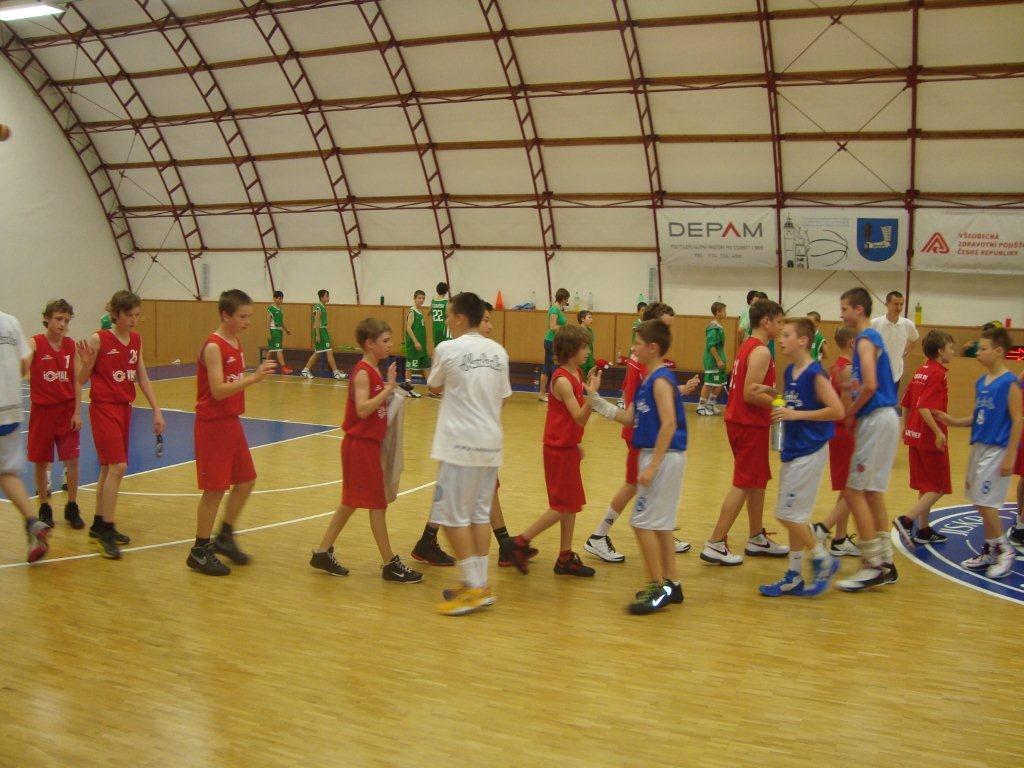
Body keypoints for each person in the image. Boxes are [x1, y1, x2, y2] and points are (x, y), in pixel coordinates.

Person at [410, 302, 536, 570]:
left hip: (468, 440)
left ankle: (475, 573)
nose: (490, 325)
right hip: (479, 440)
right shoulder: (489, 352)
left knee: (462, 508)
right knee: (470, 509)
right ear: (473, 319)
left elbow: (436, 386)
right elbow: (501, 399)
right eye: (486, 319)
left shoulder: (462, 350)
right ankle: (483, 565)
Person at [586, 320, 694, 614]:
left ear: (652, 347)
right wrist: (594, 399)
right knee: (660, 525)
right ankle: (673, 584)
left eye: (637, 343)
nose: (633, 348)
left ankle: (656, 587)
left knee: (641, 523)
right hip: (659, 455)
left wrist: (652, 466)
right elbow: (628, 417)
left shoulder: (660, 381)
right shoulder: (648, 380)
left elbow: (669, 424)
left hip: (663, 456)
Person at [309, 318, 423, 583]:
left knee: (350, 502)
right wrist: (388, 390)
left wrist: (392, 392)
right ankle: (390, 563)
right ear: (370, 344)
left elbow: (376, 407)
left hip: (367, 445)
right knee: (377, 504)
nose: (390, 345)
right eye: (385, 341)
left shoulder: (373, 370)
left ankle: (322, 552)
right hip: (359, 446)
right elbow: (362, 409)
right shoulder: (362, 372)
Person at [428, 293, 512, 615]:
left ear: (461, 318)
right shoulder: (499, 352)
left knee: (450, 517)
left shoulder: (447, 348)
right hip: (491, 443)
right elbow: (504, 397)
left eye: (450, 315)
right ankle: (480, 584)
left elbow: (434, 386)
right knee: (478, 515)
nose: (447, 320)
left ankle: (474, 588)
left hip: (459, 445)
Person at [187, 291, 277, 576]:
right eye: (242, 316)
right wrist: (254, 378)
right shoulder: (214, 347)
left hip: (231, 423)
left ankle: (224, 536)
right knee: (214, 490)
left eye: (249, 316)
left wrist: (250, 378)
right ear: (225, 315)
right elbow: (217, 390)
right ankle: (199, 551)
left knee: (246, 481)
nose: (247, 321)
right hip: (212, 426)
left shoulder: (235, 342)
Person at [76, 290, 166, 559]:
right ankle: (107, 529)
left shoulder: (136, 340)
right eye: (129, 315)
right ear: (116, 314)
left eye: (137, 315)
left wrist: (156, 410)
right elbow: (81, 379)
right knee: (118, 467)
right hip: (103, 407)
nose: (134, 320)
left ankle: (98, 525)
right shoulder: (99, 339)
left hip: (125, 408)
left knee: (108, 468)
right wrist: (86, 363)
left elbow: (143, 376)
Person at [757, 317, 843, 598]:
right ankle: (794, 575)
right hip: (793, 449)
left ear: (803, 340)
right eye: (780, 335)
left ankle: (822, 558)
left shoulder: (815, 373)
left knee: (786, 514)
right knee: (796, 515)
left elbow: (837, 410)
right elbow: (797, 402)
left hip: (810, 449)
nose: (780, 340)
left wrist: (796, 415)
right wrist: (774, 394)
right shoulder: (790, 371)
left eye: (786, 335)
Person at [701, 298, 788, 566]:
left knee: (757, 481)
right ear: (766, 321)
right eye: (779, 322)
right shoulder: (761, 351)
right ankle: (715, 542)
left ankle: (756, 536)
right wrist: (781, 404)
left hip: (745, 422)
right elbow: (751, 393)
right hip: (748, 424)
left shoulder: (748, 346)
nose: (782, 327)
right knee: (743, 483)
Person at [509, 325, 596, 577]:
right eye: (584, 347)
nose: (588, 351)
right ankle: (520, 543)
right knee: (561, 506)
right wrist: (593, 396)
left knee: (572, 505)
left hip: (567, 446)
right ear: (570, 350)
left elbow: (572, 421)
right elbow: (579, 417)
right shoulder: (562, 380)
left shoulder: (576, 372)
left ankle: (565, 557)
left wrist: (575, 442)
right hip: (557, 451)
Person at [940, 326, 1022, 579]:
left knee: (986, 502)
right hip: (978, 447)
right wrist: (953, 421)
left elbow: (1018, 420)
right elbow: (978, 416)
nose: (978, 352)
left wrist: (1011, 455)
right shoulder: (980, 382)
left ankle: (1004, 550)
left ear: (998, 351)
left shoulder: (1010, 383)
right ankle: (990, 550)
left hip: (997, 449)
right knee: (978, 499)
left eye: (983, 348)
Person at [835, 287, 902, 592]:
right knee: (873, 492)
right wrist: (851, 388)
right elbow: (867, 383)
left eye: (844, 309)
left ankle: (872, 564)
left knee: (854, 492)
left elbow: (872, 386)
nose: (841, 314)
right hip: (886, 417)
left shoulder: (865, 339)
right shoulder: (871, 339)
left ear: (858, 310)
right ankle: (886, 560)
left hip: (876, 417)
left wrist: (851, 412)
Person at [892, 330, 956, 547]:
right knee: (938, 486)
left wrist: (905, 427)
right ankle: (906, 520)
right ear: (940, 350)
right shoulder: (937, 373)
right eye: (950, 348)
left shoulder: (921, 370)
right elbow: (923, 406)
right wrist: (938, 432)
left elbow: (906, 402)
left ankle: (923, 529)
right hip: (929, 438)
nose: (953, 351)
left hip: (915, 435)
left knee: (926, 486)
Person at [26, 299, 84, 530]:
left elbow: (77, 381)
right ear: (47, 318)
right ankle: (44, 506)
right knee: (42, 461)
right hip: (43, 411)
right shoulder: (35, 343)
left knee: (73, 460)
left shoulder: (71, 346)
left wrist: (78, 411)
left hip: (67, 410)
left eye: (66, 320)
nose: (63, 324)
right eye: (59, 319)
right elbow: (23, 364)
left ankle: (72, 505)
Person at [0, 308, 51, 563]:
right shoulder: (10, 321)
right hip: (10, 410)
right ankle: (32, 522)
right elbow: (24, 363)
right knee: (7, 473)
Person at [811, 326, 861, 557]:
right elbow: (846, 407)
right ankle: (825, 529)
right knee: (854, 488)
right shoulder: (848, 369)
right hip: (846, 432)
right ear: (852, 343)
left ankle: (840, 539)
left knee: (848, 487)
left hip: (838, 431)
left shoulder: (836, 366)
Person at [870, 290, 919, 384]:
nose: (899, 308)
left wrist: (906, 350)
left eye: (901, 304)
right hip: (876, 372)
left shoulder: (907, 324)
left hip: (896, 373)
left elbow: (914, 339)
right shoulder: (874, 323)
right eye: (896, 304)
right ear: (887, 304)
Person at [300, 289, 347, 381]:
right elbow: (317, 321)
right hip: (320, 331)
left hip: (323, 330)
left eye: (328, 295)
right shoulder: (318, 307)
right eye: (326, 296)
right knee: (329, 351)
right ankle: (336, 373)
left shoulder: (322, 307)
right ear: (321, 297)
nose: (328, 297)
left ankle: (305, 370)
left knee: (317, 352)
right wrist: (318, 335)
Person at [539, 288, 570, 402]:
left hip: (555, 341)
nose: (567, 301)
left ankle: (549, 392)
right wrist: (565, 328)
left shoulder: (558, 309)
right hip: (550, 341)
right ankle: (542, 394)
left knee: (550, 367)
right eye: (567, 299)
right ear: (563, 298)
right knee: (548, 367)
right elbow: (552, 327)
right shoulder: (554, 309)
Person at [697, 301, 727, 416]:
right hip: (713, 361)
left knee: (720, 383)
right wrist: (718, 360)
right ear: (718, 312)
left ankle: (710, 404)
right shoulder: (713, 328)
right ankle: (701, 406)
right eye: (723, 311)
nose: (725, 313)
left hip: (720, 360)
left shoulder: (719, 327)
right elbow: (711, 346)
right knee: (709, 383)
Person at [403, 289, 431, 388]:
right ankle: (407, 387)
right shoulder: (412, 311)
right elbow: (408, 328)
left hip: (422, 346)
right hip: (413, 346)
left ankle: (431, 388)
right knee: (410, 367)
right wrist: (415, 342)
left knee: (426, 366)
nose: (421, 300)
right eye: (419, 298)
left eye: (423, 298)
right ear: (414, 299)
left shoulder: (420, 312)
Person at [266, 290, 292, 375]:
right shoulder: (271, 309)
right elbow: (268, 321)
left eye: (282, 299)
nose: (281, 300)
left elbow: (281, 321)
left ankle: (264, 366)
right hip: (274, 330)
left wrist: (286, 330)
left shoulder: (280, 309)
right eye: (279, 298)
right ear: (274, 298)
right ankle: (284, 368)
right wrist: (268, 333)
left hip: (279, 330)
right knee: (279, 350)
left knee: (272, 350)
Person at [428, 281, 450, 355]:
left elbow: (429, 312)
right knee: (444, 347)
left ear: (437, 290)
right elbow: (447, 314)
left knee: (436, 347)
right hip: (443, 327)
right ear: (446, 291)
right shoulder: (446, 302)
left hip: (435, 327)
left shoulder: (433, 301)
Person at [578, 309, 596, 381]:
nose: (591, 319)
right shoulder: (578, 331)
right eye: (589, 317)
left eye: (592, 317)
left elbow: (591, 346)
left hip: (590, 358)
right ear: (582, 319)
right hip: (581, 358)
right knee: (581, 377)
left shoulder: (590, 331)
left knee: (590, 378)